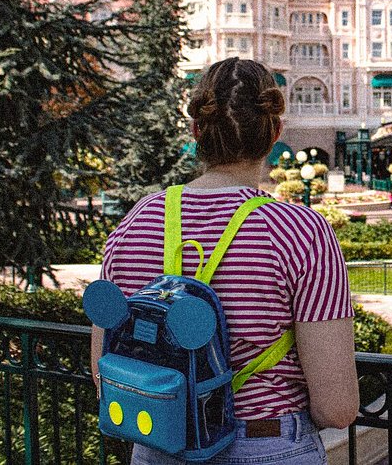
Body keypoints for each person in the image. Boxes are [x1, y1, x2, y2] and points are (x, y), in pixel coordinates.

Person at [92, 57, 358, 465]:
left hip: (157, 445)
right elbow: (336, 408)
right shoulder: (302, 232)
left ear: (197, 130)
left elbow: (103, 370)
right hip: (267, 447)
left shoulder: (135, 222)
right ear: (275, 134)